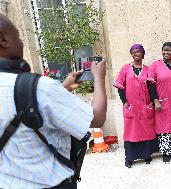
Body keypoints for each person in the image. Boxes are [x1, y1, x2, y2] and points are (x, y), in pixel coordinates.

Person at [0, 14, 107, 188]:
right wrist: (99, 78)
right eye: (17, 36)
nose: (21, 42)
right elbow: (96, 118)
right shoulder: (39, 87)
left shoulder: (39, 90)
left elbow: (19, 109)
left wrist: (61, 89)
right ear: (3, 39)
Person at [113, 44, 158, 168]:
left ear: (142, 54)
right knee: (131, 132)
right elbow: (120, 87)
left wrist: (151, 103)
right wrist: (125, 102)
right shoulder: (125, 69)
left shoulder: (148, 69)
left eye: (138, 51)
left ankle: (146, 155)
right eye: (133, 52)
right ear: (131, 54)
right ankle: (130, 158)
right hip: (131, 106)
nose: (136, 53)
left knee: (147, 131)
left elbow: (151, 87)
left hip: (145, 106)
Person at [147, 42, 171, 163]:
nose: (166, 52)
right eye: (164, 50)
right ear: (162, 51)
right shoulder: (155, 66)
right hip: (162, 102)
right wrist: (156, 100)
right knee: (164, 126)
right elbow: (151, 85)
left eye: (169, 50)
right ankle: (166, 153)